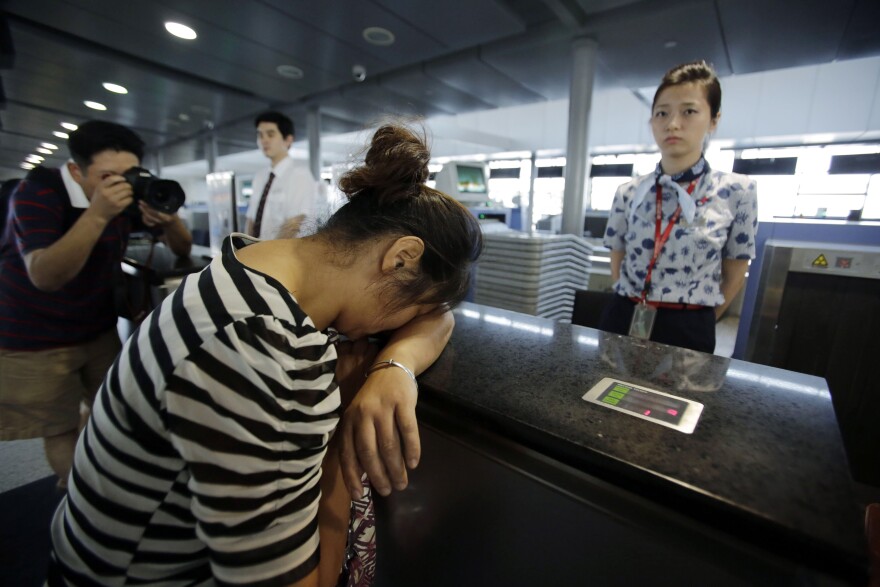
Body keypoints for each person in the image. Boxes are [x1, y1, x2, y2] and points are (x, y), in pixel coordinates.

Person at [48, 123, 483, 587]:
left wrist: (393, 369)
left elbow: (439, 318)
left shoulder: (249, 265)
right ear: (400, 258)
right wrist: (342, 439)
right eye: (408, 308)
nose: (396, 327)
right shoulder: (262, 350)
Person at [0, 121, 192, 490]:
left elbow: (181, 248)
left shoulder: (125, 196)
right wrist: (98, 214)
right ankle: (81, 497)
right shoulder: (36, 193)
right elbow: (44, 275)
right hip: (36, 333)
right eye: (108, 176)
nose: (120, 185)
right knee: (58, 425)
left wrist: (169, 221)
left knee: (111, 405)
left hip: (97, 324)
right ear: (76, 170)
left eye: (129, 174)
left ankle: (93, 471)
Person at [599, 61, 758, 354]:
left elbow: (736, 269)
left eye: (689, 111)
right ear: (652, 122)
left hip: (689, 324)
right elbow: (617, 255)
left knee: (676, 401)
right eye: (662, 113)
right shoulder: (629, 191)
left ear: (713, 120)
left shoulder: (737, 191)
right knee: (608, 392)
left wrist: (702, 318)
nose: (672, 123)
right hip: (625, 313)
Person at [246, 111, 325, 239]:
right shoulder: (260, 177)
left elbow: (294, 224)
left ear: (288, 140)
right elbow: (251, 220)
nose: (264, 140)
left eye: (270, 135)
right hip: (255, 255)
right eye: (260, 135)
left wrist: (268, 256)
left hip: (282, 255)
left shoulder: (300, 176)